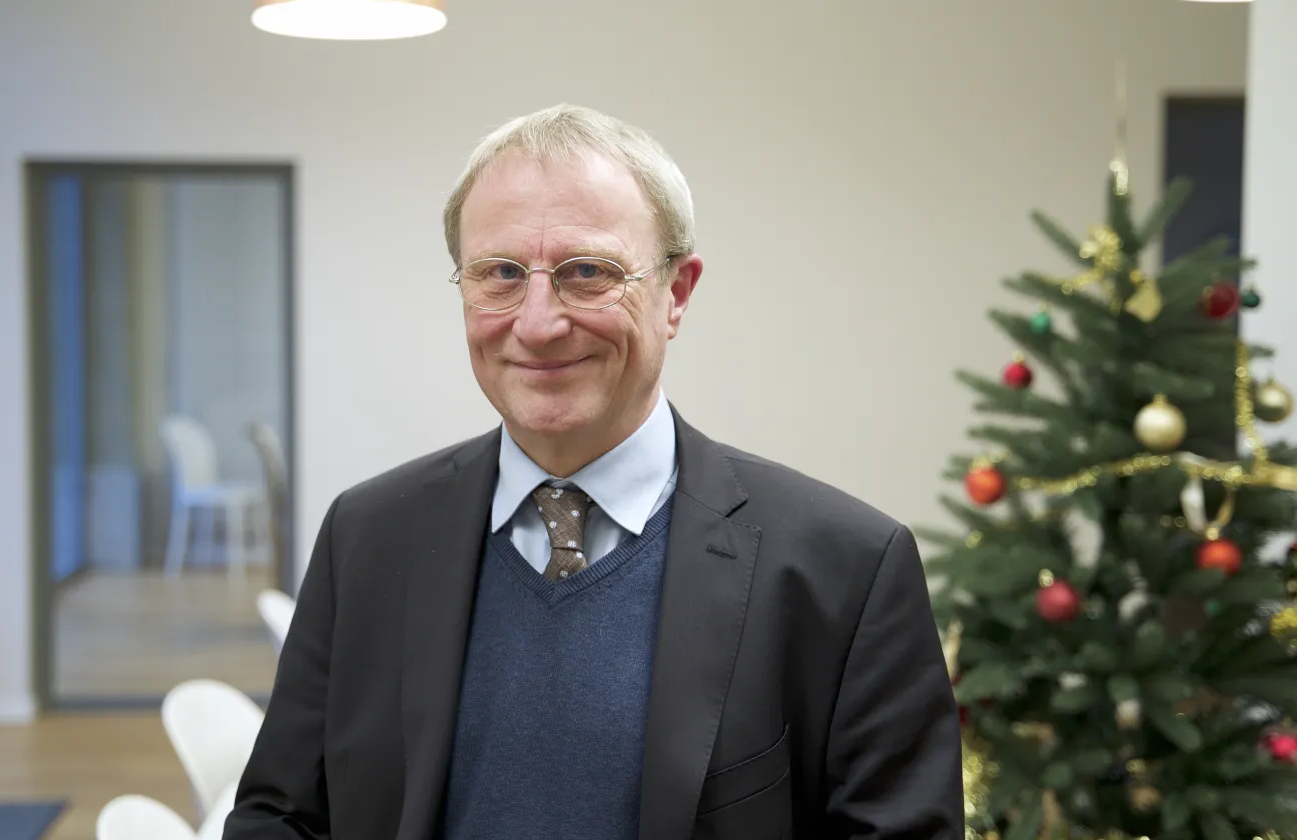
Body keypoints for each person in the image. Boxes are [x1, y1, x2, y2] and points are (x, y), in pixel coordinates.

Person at [224, 104, 963, 840]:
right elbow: (281, 816)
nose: (539, 323)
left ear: (676, 293)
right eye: (500, 274)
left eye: (587, 272)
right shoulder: (369, 537)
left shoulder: (845, 569)